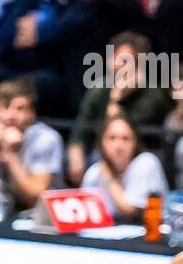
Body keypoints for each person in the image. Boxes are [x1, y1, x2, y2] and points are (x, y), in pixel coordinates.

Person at [68, 31, 170, 183]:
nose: (120, 65)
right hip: (100, 153)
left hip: (138, 156)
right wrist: (75, 149)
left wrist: (117, 97)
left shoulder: (152, 93)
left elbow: (123, 130)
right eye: (117, 58)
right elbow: (81, 126)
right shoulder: (100, 88)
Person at [0, 78, 63, 210]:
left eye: (20, 108)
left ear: (32, 114)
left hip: (43, 214)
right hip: (5, 209)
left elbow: (36, 199)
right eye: (5, 107)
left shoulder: (46, 138)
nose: (11, 115)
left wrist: (10, 155)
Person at [79, 115, 167, 223]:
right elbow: (84, 216)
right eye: (112, 138)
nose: (119, 146)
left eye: (126, 139)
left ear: (135, 143)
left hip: (150, 234)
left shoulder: (146, 162)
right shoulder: (94, 172)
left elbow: (128, 210)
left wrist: (108, 177)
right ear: (101, 142)